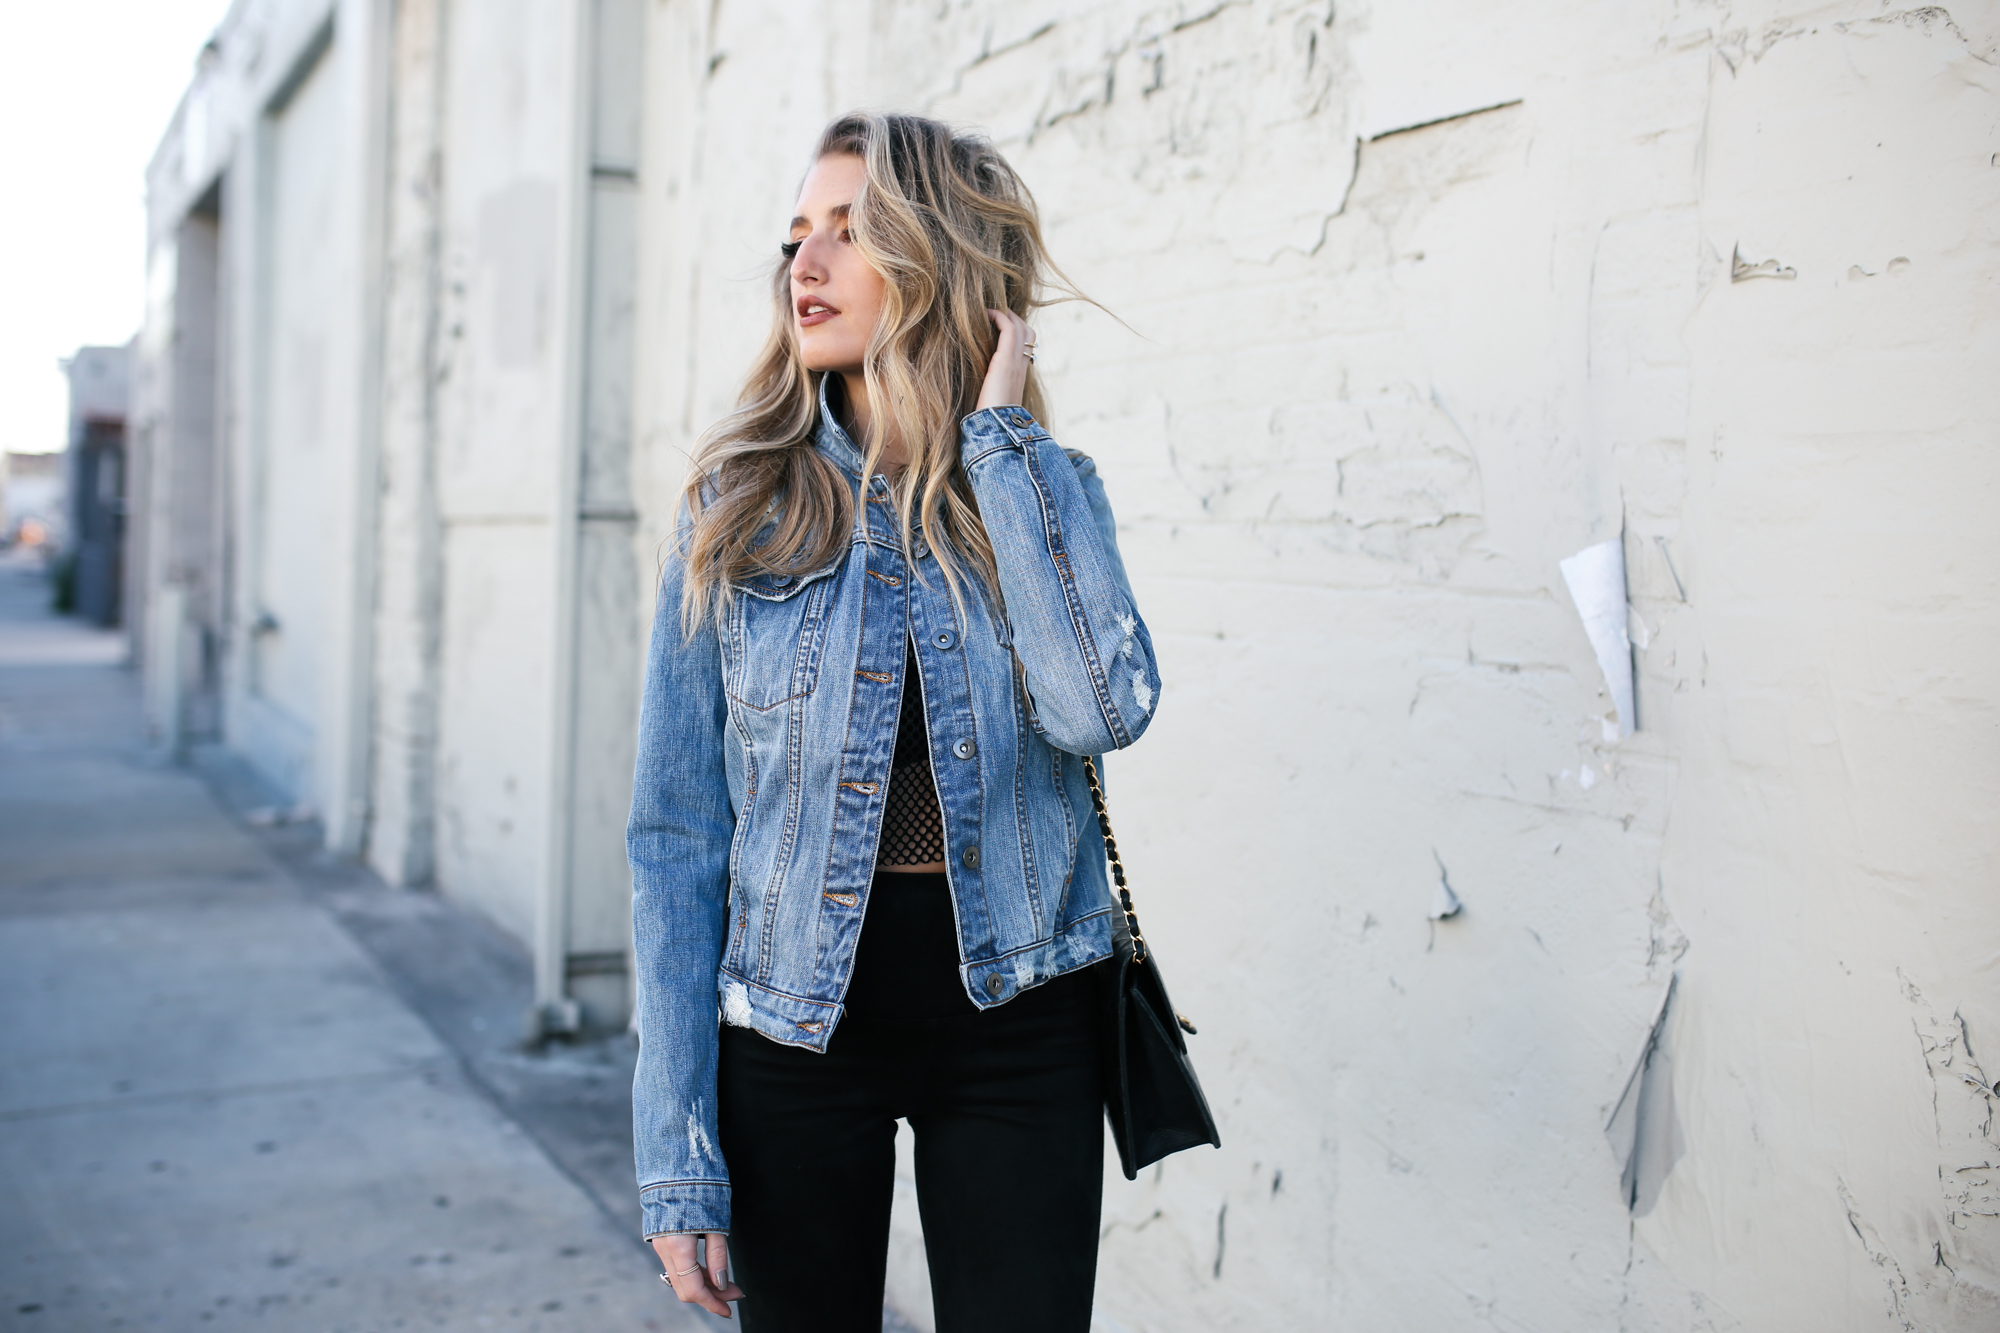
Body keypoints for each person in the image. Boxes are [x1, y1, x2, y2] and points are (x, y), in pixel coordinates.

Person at [627, 111, 1160, 1332]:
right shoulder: (736, 505)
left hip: (1023, 1016)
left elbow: (1099, 708)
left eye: (847, 233)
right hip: (794, 1027)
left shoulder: (1037, 488)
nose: (801, 267)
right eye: (793, 238)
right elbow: (673, 835)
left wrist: (1003, 435)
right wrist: (677, 1153)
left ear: (938, 259)